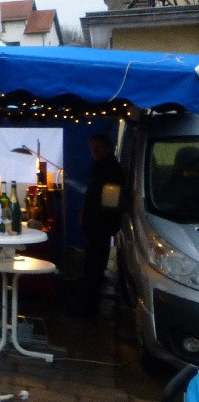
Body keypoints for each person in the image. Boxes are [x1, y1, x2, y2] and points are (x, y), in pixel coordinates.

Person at [78, 133, 126, 316]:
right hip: (95, 224)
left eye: (97, 148)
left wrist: (95, 217)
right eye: (92, 148)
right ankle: (87, 303)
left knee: (95, 266)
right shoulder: (101, 168)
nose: (93, 152)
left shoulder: (111, 170)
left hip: (101, 225)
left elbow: (108, 201)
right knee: (92, 264)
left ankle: (89, 308)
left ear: (107, 148)